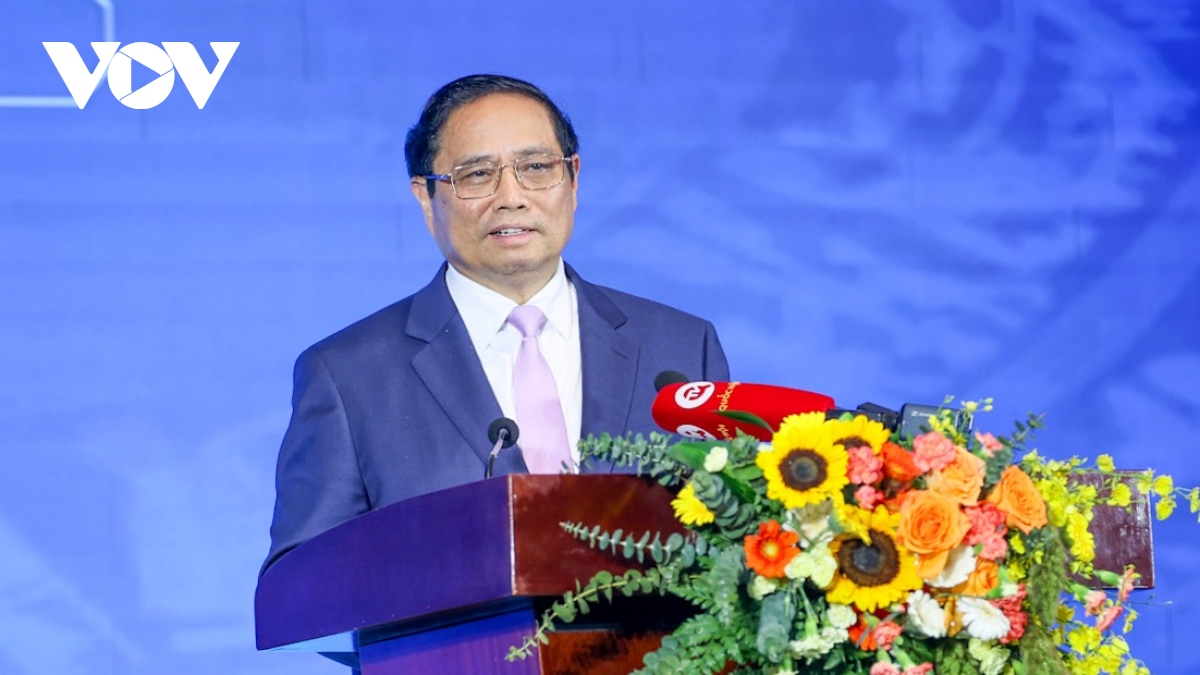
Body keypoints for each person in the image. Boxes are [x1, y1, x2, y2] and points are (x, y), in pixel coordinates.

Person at [262, 74, 729, 575]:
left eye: (536, 168)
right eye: (477, 174)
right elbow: (302, 581)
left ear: (573, 179)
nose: (511, 196)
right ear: (426, 197)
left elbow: (733, 540)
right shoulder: (349, 376)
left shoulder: (681, 348)